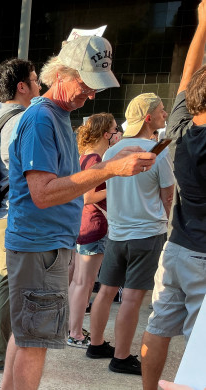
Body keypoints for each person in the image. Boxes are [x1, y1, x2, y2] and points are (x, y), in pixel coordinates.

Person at [1, 35, 156, 390]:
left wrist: (109, 167)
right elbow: (42, 193)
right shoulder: (42, 118)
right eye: (86, 84)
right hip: (40, 245)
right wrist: (109, 170)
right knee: (33, 341)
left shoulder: (52, 115)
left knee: (27, 336)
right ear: (60, 74)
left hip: (43, 244)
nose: (91, 94)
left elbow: (56, 186)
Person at [142, 2, 206, 388]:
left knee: (159, 324)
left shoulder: (180, 130)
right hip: (202, 257)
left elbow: (185, 78)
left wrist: (202, 27)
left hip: (177, 248)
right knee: (201, 344)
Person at [88, 93, 174, 376]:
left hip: (117, 232)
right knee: (132, 298)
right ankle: (122, 357)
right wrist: (162, 219)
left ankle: (96, 344)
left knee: (106, 290)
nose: (165, 114)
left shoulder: (111, 152)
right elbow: (167, 196)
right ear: (148, 117)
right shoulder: (156, 152)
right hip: (146, 234)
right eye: (162, 111)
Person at [0, 58, 40, 373]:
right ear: (22, 86)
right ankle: (1, 354)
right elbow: (22, 174)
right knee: (4, 282)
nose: (39, 85)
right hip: (8, 214)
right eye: (35, 79)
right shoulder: (21, 121)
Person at [66, 113, 119, 348]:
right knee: (83, 283)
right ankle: (75, 332)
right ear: (105, 133)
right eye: (115, 130)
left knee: (78, 282)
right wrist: (115, 185)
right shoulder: (96, 159)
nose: (117, 134)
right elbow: (88, 196)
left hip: (82, 225)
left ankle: (72, 328)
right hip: (93, 224)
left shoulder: (84, 156)